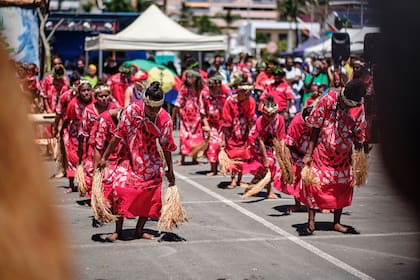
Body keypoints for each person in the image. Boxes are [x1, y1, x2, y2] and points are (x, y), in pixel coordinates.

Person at [97, 81, 177, 241]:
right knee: (119, 191)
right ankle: (118, 230)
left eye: (157, 108)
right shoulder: (133, 110)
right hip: (128, 157)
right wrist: (104, 157)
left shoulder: (165, 119)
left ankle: (139, 229)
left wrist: (170, 170)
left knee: (149, 196)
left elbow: (166, 146)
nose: (153, 112)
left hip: (151, 162)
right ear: (145, 102)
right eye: (150, 108)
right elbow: (117, 136)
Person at [300, 79, 367, 235]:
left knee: (342, 186)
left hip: (343, 156)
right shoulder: (328, 99)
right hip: (322, 152)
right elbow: (315, 126)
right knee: (314, 184)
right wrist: (309, 153)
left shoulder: (359, 106)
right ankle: (311, 220)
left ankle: (336, 222)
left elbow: (360, 133)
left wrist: (360, 158)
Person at [244, 95, 286, 199]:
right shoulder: (260, 120)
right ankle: (269, 191)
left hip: (270, 144)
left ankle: (252, 185)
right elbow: (260, 140)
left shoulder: (280, 120)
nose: (270, 118)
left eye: (272, 115)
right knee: (269, 165)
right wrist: (265, 158)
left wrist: (283, 155)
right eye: (267, 116)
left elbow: (281, 138)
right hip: (256, 143)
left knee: (266, 167)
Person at [78, 85, 116, 196]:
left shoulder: (114, 108)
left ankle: (107, 195)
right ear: (96, 97)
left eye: (106, 95)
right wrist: (81, 150)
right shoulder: (89, 110)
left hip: (109, 145)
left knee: (109, 170)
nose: (104, 98)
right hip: (93, 144)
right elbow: (83, 130)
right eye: (101, 96)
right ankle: (94, 194)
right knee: (91, 169)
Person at [220, 81, 256, 188]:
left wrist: (251, 135)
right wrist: (224, 138)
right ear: (239, 91)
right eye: (246, 93)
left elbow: (251, 119)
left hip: (244, 132)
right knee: (232, 156)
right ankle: (233, 179)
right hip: (231, 132)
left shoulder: (251, 101)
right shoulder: (229, 101)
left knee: (242, 156)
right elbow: (226, 120)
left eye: (249, 93)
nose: (248, 95)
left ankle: (240, 179)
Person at [62, 81, 93, 193]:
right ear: (79, 92)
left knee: (88, 159)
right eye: (83, 91)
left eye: (88, 90)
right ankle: (71, 184)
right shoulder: (73, 104)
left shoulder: (95, 102)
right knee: (73, 157)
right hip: (75, 134)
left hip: (91, 134)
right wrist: (61, 132)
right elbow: (67, 118)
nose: (86, 93)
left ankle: (86, 184)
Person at [283, 106, 313, 213]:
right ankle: (297, 204)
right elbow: (288, 144)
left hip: (312, 152)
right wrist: (287, 162)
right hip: (296, 151)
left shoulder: (320, 120)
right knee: (296, 177)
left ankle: (318, 204)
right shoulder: (296, 123)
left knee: (314, 179)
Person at [172, 69, 206, 165]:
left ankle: (194, 158)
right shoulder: (184, 89)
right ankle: (182, 159)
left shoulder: (199, 89)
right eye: (188, 77)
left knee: (197, 137)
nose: (189, 79)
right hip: (185, 116)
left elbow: (201, 102)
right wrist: (173, 117)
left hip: (196, 116)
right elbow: (178, 103)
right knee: (184, 137)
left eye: (191, 77)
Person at [200, 72, 229, 176]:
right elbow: (202, 111)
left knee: (223, 145)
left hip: (224, 122)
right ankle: (213, 168)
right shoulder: (204, 92)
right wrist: (206, 125)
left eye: (219, 82)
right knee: (212, 145)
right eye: (215, 82)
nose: (217, 84)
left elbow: (230, 104)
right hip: (211, 124)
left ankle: (223, 167)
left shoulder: (225, 90)